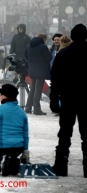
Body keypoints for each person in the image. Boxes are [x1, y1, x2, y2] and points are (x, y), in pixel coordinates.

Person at [50, 24, 87, 178]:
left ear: (71, 36)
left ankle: (61, 165)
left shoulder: (63, 54)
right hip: (86, 100)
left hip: (68, 99)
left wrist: (54, 99)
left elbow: (55, 79)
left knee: (65, 133)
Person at [24, 33, 52, 115]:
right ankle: (36, 109)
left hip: (32, 70)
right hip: (41, 70)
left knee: (32, 89)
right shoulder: (43, 47)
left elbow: (26, 57)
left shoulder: (29, 46)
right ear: (43, 39)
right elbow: (49, 57)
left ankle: (28, 107)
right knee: (38, 90)